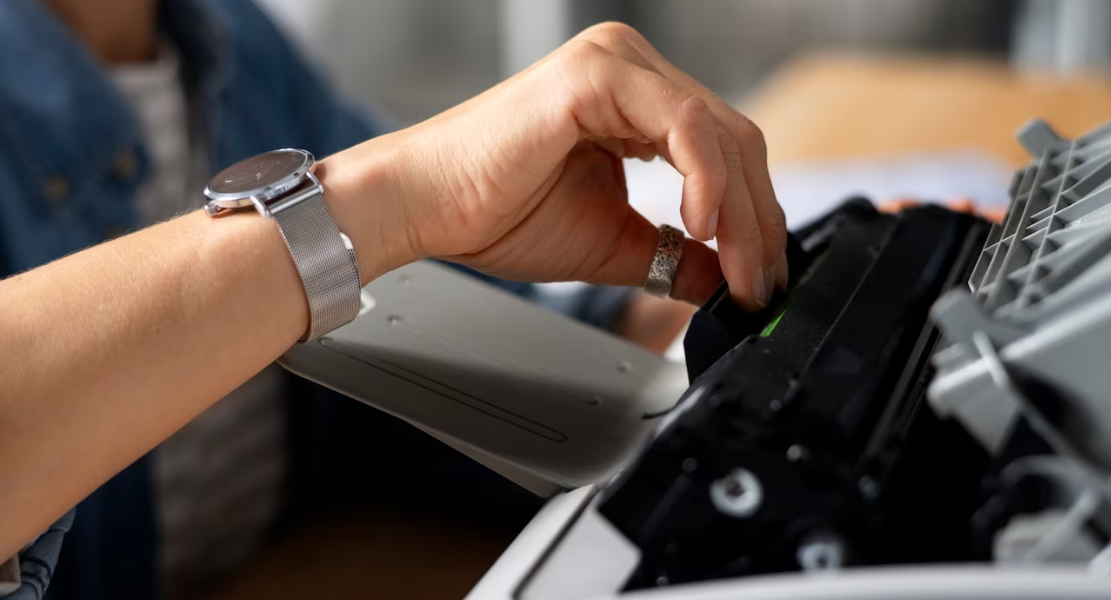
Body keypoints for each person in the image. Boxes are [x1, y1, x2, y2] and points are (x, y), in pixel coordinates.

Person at [0, 13, 787, 600]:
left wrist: (699, 300)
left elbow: (433, 319)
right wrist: (393, 198)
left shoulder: (231, 43)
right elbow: (398, 213)